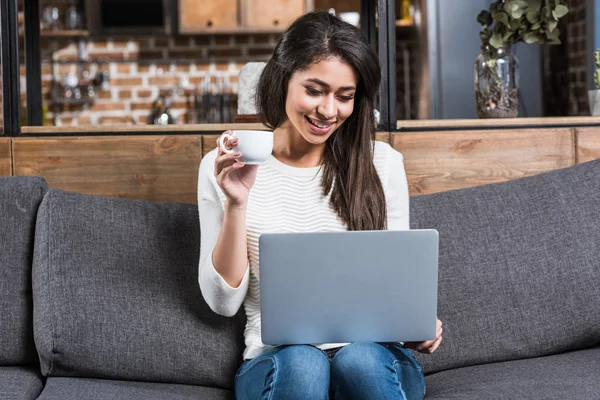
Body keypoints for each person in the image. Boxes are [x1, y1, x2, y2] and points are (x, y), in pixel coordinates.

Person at [197, 10, 443, 400]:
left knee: (358, 360)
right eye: (314, 90)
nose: (329, 111)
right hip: (278, 362)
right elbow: (223, 303)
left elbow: (398, 284)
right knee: (304, 363)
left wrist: (417, 323)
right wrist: (236, 203)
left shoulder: (382, 163)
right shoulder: (227, 166)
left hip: (375, 358)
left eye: (344, 97)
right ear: (283, 80)